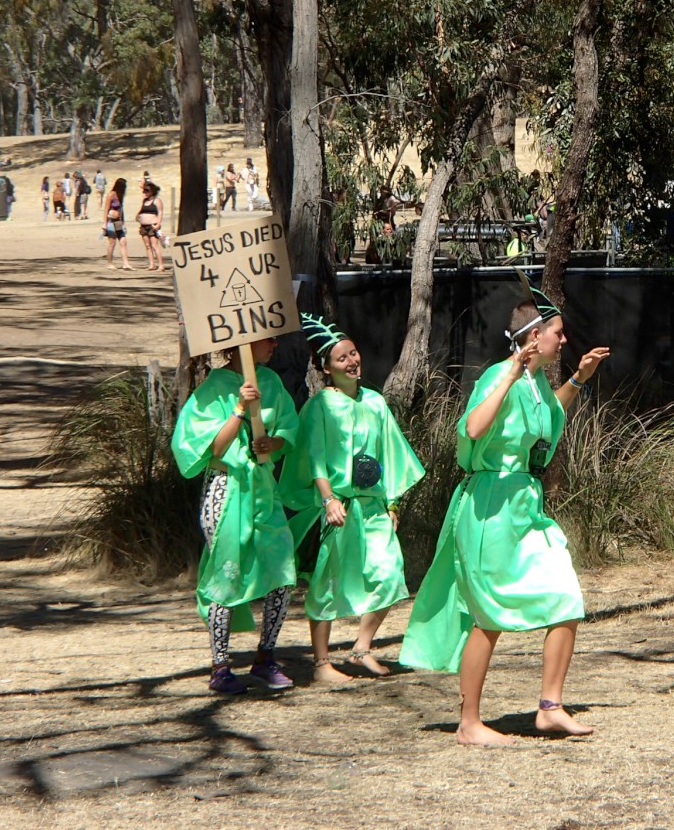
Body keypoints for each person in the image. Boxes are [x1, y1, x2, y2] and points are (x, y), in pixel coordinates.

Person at [400, 272, 611, 746]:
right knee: (489, 618)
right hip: (489, 508)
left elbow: (547, 420)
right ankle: (469, 723)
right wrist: (510, 374)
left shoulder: (536, 384)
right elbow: (473, 429)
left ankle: (550, 708)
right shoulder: (504, 375)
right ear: (534, 337)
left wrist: (578, 379)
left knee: (565, 597)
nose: (564, 339)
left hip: (525, 506)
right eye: (558, 332)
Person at [279, 315, 425, 684]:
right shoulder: (320, 406)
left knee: (390, 574)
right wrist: (328, 499)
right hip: (339, 507)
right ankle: (321, 663)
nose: (353, 361)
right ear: (327, 368)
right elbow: (313, 455)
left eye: (354, 353)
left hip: (373, 506)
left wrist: (392, 503)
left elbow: (391, 454)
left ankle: (361, 648)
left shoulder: (375, 402)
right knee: (327, 582)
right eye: (343, 358)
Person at [171, 336, 300, 694]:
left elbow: (288, 430)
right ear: (243, 342)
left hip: (263, 489)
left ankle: (265, 657)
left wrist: (272, 443)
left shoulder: (270, 382)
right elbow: (211, 447)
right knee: (225, 573)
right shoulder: (214, 387)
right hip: (226, 490)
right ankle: (220, 665)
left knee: (283, 571)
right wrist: (240, 408)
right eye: (266, 339)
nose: (274, 344)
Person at [102, 177, 132, 269]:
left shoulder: (121, 196)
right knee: (112, 243)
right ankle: (110, 263)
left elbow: (121, 210)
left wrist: (123, 223)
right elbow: (106, 209)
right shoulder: (111, 195)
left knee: (123, 241)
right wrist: (104, 223)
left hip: (118, 222)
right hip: (111, 222)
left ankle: (126, 263)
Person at [136, 180, 165, 271]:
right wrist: (138, 216)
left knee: (154, 245)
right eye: (144, 190)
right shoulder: (144, 201)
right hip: (144, 226)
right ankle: (152, 264)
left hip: (152, 226)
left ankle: (161, 265)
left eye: (147, 190)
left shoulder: (157, 201)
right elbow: (141, 211)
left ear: (152, 191)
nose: (145, 192)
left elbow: (160, 213)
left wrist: (158, 224)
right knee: (147, 246)